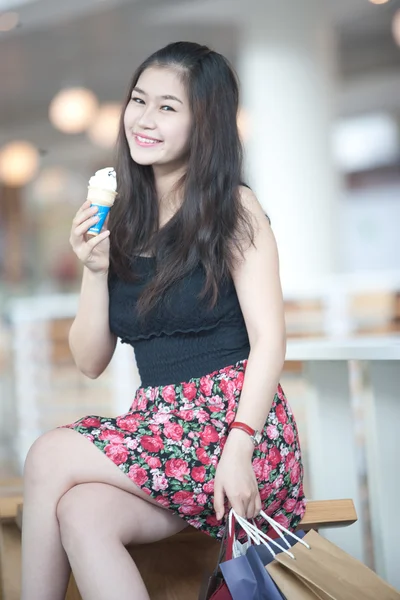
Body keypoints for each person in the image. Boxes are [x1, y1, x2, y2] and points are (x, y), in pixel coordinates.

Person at [21, 41, 306, 600]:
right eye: (138, 101)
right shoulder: (124, 219)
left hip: (237, 431)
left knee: (49, 453)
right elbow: (89, 361)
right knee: (82, 512)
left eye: (168, 108)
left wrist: (240, 446)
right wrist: (93, 268)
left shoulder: (234, 208)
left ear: (206, 124)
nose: (143, 121)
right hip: (163, 433)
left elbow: (271, 341)